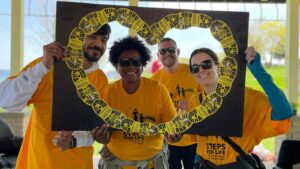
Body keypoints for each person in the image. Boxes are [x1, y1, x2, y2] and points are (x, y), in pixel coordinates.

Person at [54, 37, 182, 169]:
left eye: (136, 62)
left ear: (142, 65)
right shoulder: (106, 93)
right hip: (115, 163)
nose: (131, 66)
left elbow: (171, 127)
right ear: (116, 66)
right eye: (125, 63)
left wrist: (174, 135)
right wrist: (100, 138)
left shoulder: (158, 89)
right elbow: (97, 133)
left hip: (153, 163)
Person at [0, 24, 111, 169]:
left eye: (103, 40)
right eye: (92, 37)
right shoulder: (47, 65)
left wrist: (74, 141)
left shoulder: (101, 79)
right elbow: (7, 101)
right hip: (40, 163)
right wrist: (43, 67)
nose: (98, 44)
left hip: (80, 164)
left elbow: (93, 130)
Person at [188, 47, 293, 168]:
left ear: (218, 66)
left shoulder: (246, 97)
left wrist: (259, 72)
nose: (200, 70)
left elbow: (283, 113)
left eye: (206, 64)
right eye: (194, 68)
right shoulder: (195, 101)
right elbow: (197, 140)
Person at [152, 37, 202, 169]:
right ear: (158, 55)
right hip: (169, 141)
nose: (167, 53)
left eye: (171, 50)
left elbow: (207, 100)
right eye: (163, 51)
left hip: (194, 139)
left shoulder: (194, 72)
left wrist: (191, 106)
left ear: (178, 51)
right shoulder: (154, 81)